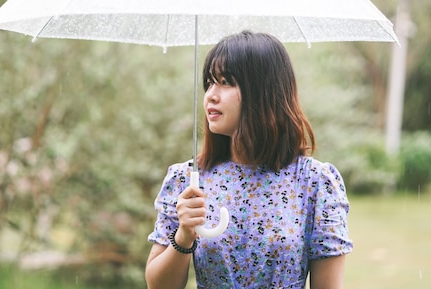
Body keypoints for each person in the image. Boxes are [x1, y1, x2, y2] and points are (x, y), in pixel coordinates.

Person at [145, 31, 353, 289]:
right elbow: (158, 286)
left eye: (226, 82)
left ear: (264, 91)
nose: (211, 94)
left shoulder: (315, 183)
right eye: (209, 82)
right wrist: (184, 235)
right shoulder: (186, 180)